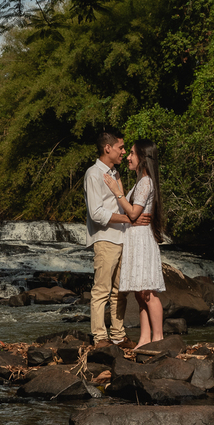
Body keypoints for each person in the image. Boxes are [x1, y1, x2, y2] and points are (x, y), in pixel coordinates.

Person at [105, 140, 166, 346]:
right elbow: (130, 212)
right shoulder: (140, 182)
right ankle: (144, 338)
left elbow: (133, 212)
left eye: (131, 153)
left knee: (147, 291)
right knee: (141, 294)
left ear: (143, 157)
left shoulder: (145, 182)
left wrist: (117, 191)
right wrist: (120, 188)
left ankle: (158, 338)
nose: (128, 157)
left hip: (141, 240)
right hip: (135, 238)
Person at [83, 131, 134, 349]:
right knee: (101, 290)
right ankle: (100, 337)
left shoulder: (115, 173)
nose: (123, 151)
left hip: (122, 237)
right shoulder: (93, 174)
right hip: (105, 238)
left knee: (120, 291)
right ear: (107, 148)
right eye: (120, 147)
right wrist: (129, 218)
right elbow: (96, 213)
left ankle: (118, 335)